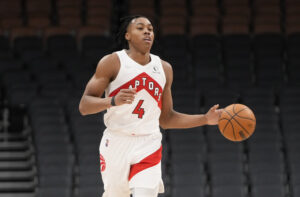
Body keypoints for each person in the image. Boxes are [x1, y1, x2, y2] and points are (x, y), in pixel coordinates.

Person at [79, 15, 222, 197]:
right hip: (116, 141)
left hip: (148, 142)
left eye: (151, 28)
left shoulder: (164, 69)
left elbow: (167, 119)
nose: (147, 31)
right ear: (127, 35)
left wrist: (205, 119)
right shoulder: (112, 62)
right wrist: (112, 101)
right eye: (140, 28)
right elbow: (84, 106)